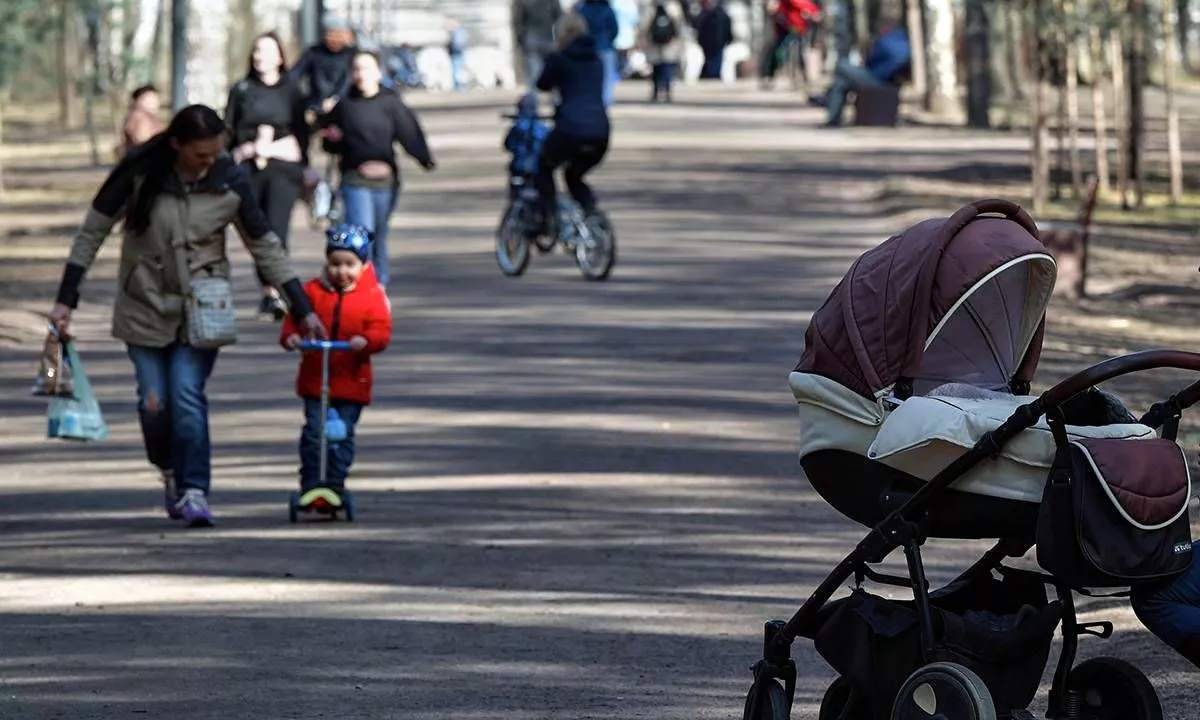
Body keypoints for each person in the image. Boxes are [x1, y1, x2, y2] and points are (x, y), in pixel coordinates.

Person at [47, 104, 327, 527]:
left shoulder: (228, 180)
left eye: (214, 154)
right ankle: (171, 471)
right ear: (176, 144)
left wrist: (302, 308)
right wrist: (66, 298)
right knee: (153, 403)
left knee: (186, 394)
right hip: (144, 304)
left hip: (203, 308)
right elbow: (92, 233)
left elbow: (265, 246)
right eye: (200, 155)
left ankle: (195, 490)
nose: (208, 163)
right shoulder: (140, 172)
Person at [281, 224, 391, 498]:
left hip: (352, 381)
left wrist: (366, 340)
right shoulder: (313, 292)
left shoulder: (372, 295)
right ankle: (309, 484)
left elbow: (381, 329)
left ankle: (335, 483)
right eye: (334, 264)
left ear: (363, 265)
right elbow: (294, 320)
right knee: (314, 435)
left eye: (349, 264)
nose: (341, 271)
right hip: (316, 379)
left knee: (340, 436)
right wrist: (292, 338)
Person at [320, 50, 436, 291]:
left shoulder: (390, 102)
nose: (361, 75)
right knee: (363, 232)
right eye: (356, 69)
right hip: (355, 179)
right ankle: (365, 286)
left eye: (366, 69)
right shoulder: (344, 105)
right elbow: (329, 141)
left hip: (386, 182)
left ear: (378, 72)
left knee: (379, 235)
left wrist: (424, 158)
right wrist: (331, 137)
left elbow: (409, 133)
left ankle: (379, 284)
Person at [225, 32, 311, 322]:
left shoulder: (292, 89)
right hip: (248, 168)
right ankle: (267, 291)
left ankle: (279, 290)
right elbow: (229, 129)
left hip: (282, 168)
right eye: (257, 51)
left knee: (276, 230)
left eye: (268, 51)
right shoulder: (242, 89)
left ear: (280, 57)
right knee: (255, 230)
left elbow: (302, 132)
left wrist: (306, 167)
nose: (261, 57)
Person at [534, 11, 610, 238]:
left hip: (570, 129)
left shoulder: (559, 59)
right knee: (574, 175)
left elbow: (542, 84)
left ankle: (548, 219)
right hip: (600, 131)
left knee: (543, 167)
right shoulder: (596, 59)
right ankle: (591, 213)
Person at [814, 18, 910, 126]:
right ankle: (831, 113)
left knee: (842, 65)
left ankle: (829, 104)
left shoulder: (887, 41)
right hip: (885, 79)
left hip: (879, 79)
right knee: (840, 83)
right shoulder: (901, 40)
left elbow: (871, 59)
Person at [288, 13, 356, 115]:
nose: (335, 39)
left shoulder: (352, 54)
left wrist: (335, 99)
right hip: (316, 106)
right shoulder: (313, 53)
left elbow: (349, 80)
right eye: (331, 34)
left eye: (339, 35)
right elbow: (293, 75)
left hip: (347, 108)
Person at [760, 0, 821, 88]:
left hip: (796, 27)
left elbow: (805, 5)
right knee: (775, 51)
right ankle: (769, 76)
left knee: (798, 52)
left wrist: (813, 12)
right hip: (784, 27)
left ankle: (803, 77)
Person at [503, 93, 551, 199]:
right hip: (539, 169)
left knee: (515, 190)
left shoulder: (516, 128)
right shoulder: (543, 128)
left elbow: (507, 145)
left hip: (518, 168)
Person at [574, 0, 620, 106]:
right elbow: (615, 29)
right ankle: (605, 102)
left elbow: (579, 30)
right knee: (607, 78)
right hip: (605, 47)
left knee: (587, 77)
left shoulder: (583, 10)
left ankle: (588, 100)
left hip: (587, 48)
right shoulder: (608, 10)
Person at [642, 1, 687, 102]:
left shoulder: (651, 7)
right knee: (668, 68)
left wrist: (645, 39)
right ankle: (667, 91)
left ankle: (656, 91)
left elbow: (644, 26)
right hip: (671, 43)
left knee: (656, 69)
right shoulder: (674, 7)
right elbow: (680, 26)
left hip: (654, 44)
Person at [513, 0, 563, 86]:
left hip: (531, 38)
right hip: (548, 37)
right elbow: (559, 17)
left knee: (533, 73)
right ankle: (549, 95)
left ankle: (535, 95)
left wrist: (519, 39)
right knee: (550, 71)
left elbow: (518, 20)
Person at [118, 85, 166, 158]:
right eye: (148, 100)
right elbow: (142, 143)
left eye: (155, 100)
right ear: (136, 101)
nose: (153, 103)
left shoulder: (150, 118)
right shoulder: (139, 117)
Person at [693, 0, 734, 80]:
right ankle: (713, 75)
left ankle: (712, 75)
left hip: (712, 42)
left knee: (713, 60)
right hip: (716, 42)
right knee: (714, 60)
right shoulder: (721, 14)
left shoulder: (707, 15)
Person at [446, 17, 469, 91]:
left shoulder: (458, 32)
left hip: (457, 53)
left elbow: (458, 44)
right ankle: (458, 85)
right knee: (457, 70)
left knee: (457, 70)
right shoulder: (457, 32)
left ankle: (459, 85)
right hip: (457, 53)